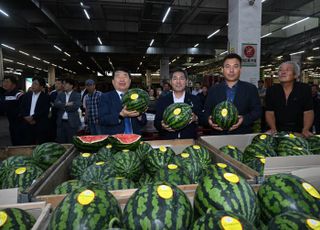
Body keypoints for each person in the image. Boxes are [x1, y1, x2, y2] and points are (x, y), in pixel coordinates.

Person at [203, 53, 261, 135]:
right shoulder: (213, 90)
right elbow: (206, 111)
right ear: (222, 69)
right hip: (218, 135)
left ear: (240, 69)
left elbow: (257, 111)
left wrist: (243, 119)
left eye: (235, 66)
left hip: (242, 135)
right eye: (227, 66)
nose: (231, 70)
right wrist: (209, 120)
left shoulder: (250, 89)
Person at [265, 61, 314, 137]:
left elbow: (308, 112)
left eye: (287, 70)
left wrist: (306, 129)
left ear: (295, 75)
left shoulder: (304, 89)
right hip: (278, 130)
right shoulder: (272, 90)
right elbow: (269, 112)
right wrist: (273, 128)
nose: (283, 72)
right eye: (280, 70)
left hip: (299, 130)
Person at [154, 68, 201, 139]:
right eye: (175, 79)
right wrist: (162, 126)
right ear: (170, 82)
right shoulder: (162, 100)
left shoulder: (195, 99)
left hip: (188, 141)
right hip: (168, 141)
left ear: (186, 81)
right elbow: (156, 122)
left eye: (181, 78)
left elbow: (203, 118)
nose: (178, 82)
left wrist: (196, 118)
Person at [99, 67, 147, 135]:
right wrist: (121, 115)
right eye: (118, 76)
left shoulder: (137, 97)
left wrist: (139, 115)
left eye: (125, 76)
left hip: (135, 138)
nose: (122, 79)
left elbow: (143, 122)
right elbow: (102, 120)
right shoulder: (105, 97)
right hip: (115, 140)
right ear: (113, 81)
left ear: (130, 81)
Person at [20, 77, 50, 145]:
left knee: (41, 143)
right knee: (28, 142)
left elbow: (44, 111)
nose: (33, 85)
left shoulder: (46, 97)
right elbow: (22, 107)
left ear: (41, 87)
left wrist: (33, 117)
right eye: (33, 83)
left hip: (39, 123)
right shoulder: (27, 95)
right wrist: (26, 117)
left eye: (36, 84)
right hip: (27, 123)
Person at [54, 78, 81, 143]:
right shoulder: (60, 94)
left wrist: (62, 105)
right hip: (61, 123)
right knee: (61, 142)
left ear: (71, 85)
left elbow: (75, 106)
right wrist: (66, 104)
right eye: (63, 84)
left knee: (71, 142)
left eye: (65, 83)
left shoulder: (77, 95)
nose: (63, 85)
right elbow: (56, 104)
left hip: (72, 123)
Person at [0, 76, 24, 145]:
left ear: (14, 84)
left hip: (21, 125)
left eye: (7, 82)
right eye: (4, 82)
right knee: (14, 142)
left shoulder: (19, 95)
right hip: (11, 124)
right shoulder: (4, 95)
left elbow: (22, 110)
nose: (4, 84)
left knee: (20, 144)